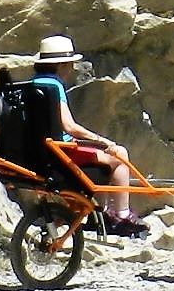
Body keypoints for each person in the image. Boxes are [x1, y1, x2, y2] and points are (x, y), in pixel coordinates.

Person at [25, 35, 146, 236]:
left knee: (103, 157)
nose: (72, 69)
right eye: (70, 64)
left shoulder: (31, 85)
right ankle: (121, 215)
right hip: (62, 154)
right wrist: (102, 140)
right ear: (61, 65)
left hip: (40, 153)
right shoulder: (53, 87)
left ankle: (103, 211)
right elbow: (69, 126)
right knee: (119, 155)